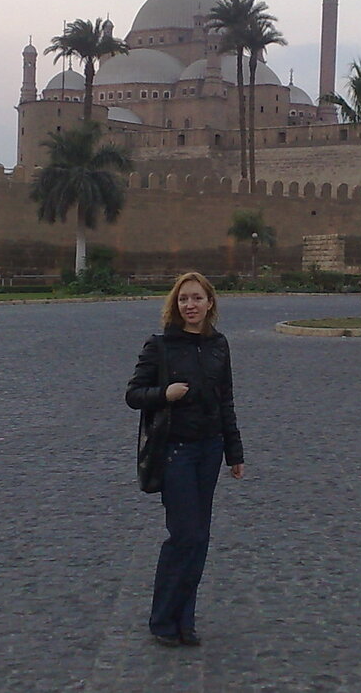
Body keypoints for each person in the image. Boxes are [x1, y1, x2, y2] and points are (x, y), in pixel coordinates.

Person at [125, 271, 245, 647]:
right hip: (175, 451)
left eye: (196, 298)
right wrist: (165, 394)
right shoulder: (160, 346)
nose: (190, 305)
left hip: (209, 450)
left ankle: (185, 621)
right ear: (175, 306)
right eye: (183, 299)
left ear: (210, 303)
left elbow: (226, 400)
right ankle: (163, 619)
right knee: (185, 535)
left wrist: (234, 452)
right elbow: (133, 394)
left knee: (200, 538)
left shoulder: (219, 345)